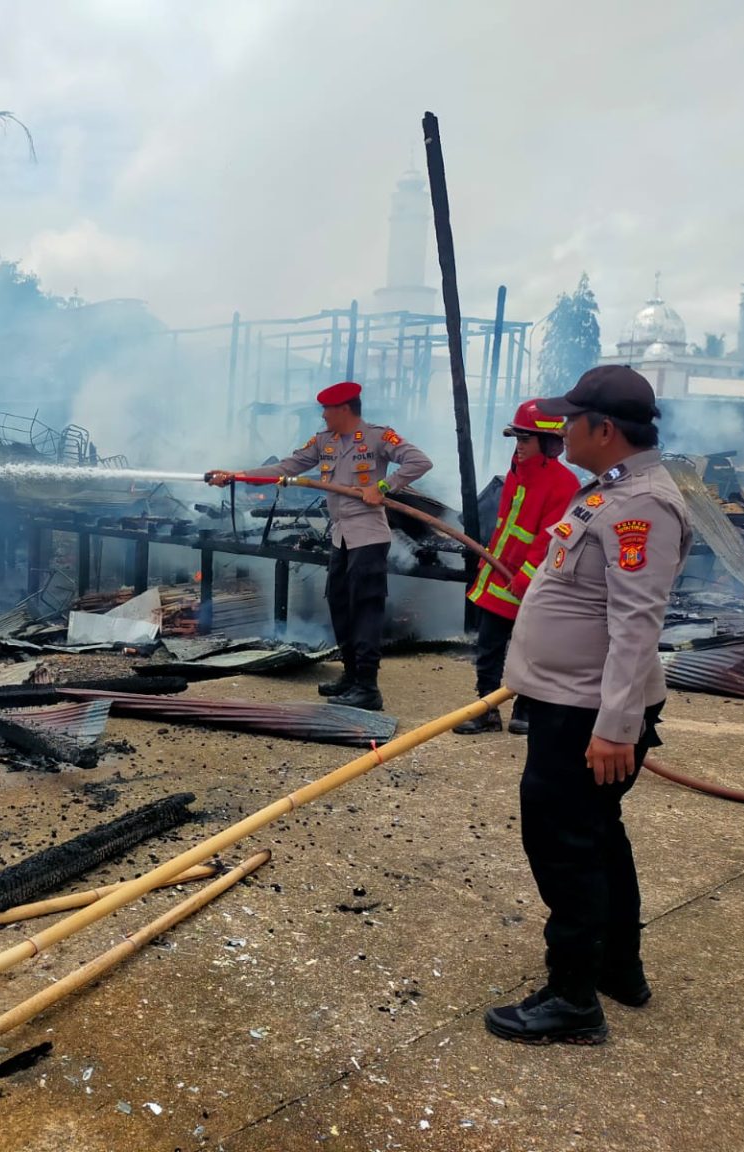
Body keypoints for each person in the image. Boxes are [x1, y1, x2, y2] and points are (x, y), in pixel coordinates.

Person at [483, 365, 692, 1046]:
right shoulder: (612, 491)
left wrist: (614, 729)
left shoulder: (644, 506)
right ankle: (615, 969)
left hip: (586, 714)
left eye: (569, 420)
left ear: (604, 430)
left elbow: (638, 626)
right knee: (599, 839)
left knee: (566, 848)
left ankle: (572, 998)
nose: (558, 429)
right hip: (571, 702)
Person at [206, 381, 432, 711]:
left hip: (369, 535)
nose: (323, 415)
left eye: (327, 409)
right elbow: (286, 467)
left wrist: (383, 486)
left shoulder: (378, 437)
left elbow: (419, 462)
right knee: (340, 605)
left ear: (344, 409)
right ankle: (351, 676)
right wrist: (237, 475)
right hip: (340, 535)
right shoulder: (324, 441)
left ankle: (368, 688)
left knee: (365, 608)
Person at [454, 400, 580, 736]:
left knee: (531, 650)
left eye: (525, 440)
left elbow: (549, 538)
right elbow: (506, 525)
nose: (519, 447)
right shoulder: (515, 473)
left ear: (547, 444)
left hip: (532, 583)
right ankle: (486, 709)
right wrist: (489, 561)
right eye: (517, 440)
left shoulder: (565, 484)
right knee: (489, 647)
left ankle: (524, 708)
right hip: (500, 576)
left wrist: (526, 576)